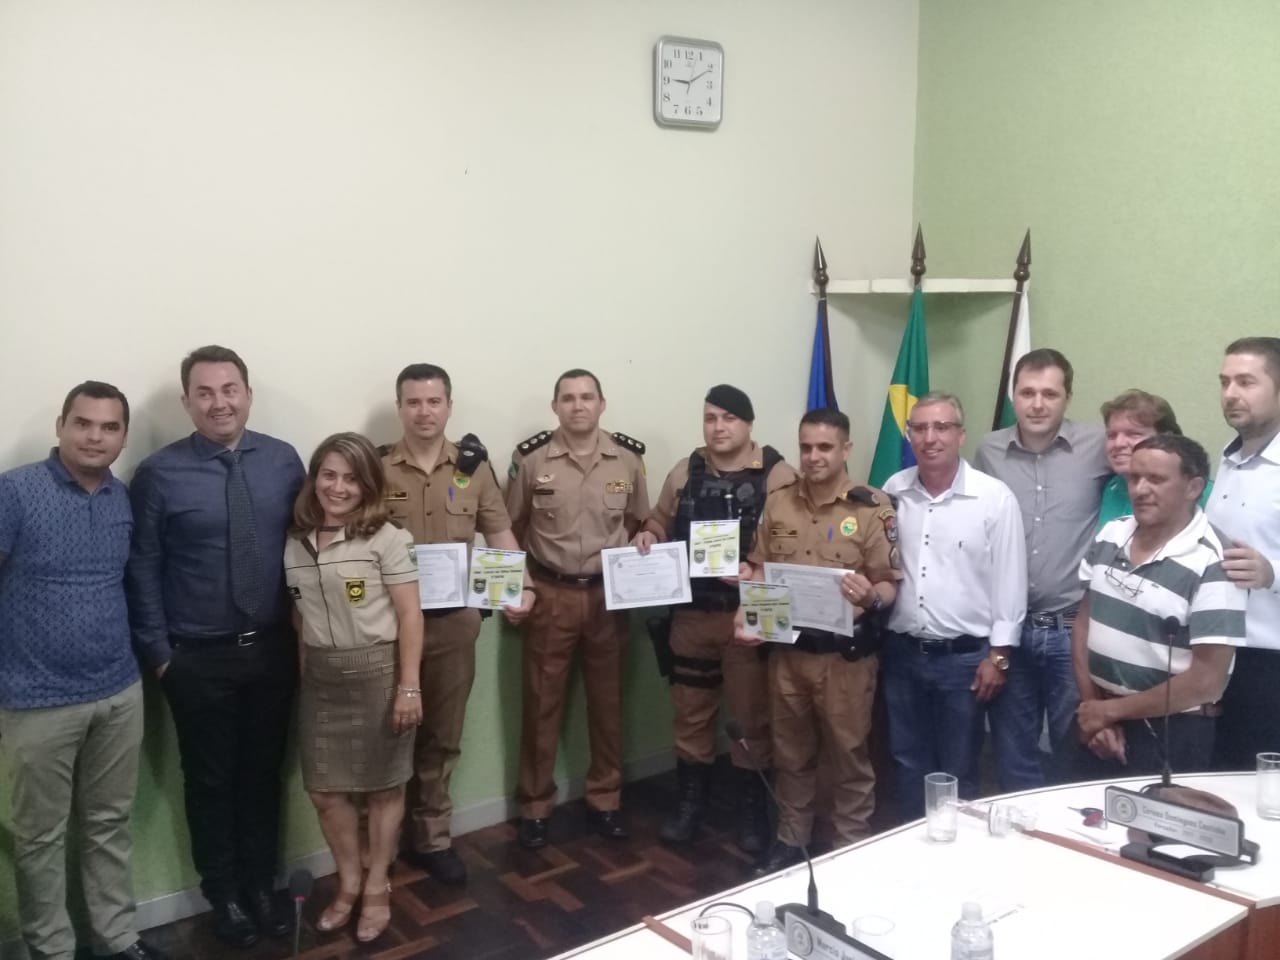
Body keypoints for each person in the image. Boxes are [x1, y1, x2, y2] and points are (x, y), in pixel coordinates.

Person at [127, 345, 305, 948]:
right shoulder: (158, 473)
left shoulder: (283, 460)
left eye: (229, 389)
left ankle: (261, 885)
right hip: (196, 658)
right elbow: (143, 566)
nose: (219, 403)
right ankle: (223, 894)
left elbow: (309, 543)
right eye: (204, 392)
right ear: (187, 402)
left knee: (263, 774)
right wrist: (160, 655)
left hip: (273, 651)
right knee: (209, 780)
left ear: (248, 394)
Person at [0, 382, 169, 960]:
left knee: (108, 824)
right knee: (39, 837)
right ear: (61, 426)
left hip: (119, 691)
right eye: (83, 423)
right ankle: (51, 950)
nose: (95, 437)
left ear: (123, 436)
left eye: (109, 427)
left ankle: (117, 939)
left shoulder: (123, 498)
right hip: (35, 699)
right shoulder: (15, 492)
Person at [379, 363, 534, 885]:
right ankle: (384, 842)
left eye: (434, 401)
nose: (424, 412)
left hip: (453, 626)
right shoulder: (376, 468)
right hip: (390, 628)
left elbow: (499, 532)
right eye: (413, 402)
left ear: (449, 406)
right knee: (389, 736)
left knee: (442, 738)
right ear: (400, 407)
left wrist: (524, 587)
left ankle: (432, 838)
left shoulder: (474, 468)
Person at [632, 384, 796, 854]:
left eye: (729, 418)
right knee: (690, 714)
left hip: (747, 614)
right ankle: (691, 805)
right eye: (710, 418)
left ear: (748, 423)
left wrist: (754, 571)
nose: (718, 427)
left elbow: (791, 540)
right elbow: (660, 518)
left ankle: (752, 810)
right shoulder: (685, 470)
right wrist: (649, 534)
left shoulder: (777, 474)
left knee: (751, 717)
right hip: (692, 615)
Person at [737, 407, 900, 875]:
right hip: (788, 655)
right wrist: (746, 614)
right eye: (806, 447)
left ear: (845, 449)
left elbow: (890, 584)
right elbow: (761, 570)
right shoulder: (779, 502)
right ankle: (793, 841)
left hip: (844, 660)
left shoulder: (871, 507)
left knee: (849, 758)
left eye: (825, 447)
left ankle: (850, 847)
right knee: (791, 755)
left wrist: (871, 597)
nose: (813, 456)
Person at [284, 432, 424, 943]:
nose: (337, 487)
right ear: (314, 478)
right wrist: (306, 674)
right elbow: (301, 617)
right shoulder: (296, 539)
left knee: (384, 788)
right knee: (324, 792)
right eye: (328, 475)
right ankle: (348, 881)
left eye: (350, 478)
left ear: (368, 485)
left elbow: (410, 616)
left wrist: (409, 687)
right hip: (321, 678)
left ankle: (377, 885)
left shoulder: (387, 538)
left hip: (378, 674)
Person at [505, 368, 649, 849]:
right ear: (555, 407)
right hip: (551, 595)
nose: (578, 405)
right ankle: (535, 806)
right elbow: (510, 528)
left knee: (608, 704)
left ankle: (605, 799)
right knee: (541, 705)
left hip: (609, 597)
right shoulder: (530, 460)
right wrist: (517, 589)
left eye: (587, 397)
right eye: (568, 398)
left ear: (602, 404)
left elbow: (639, 522)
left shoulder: (627, 459)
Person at [1064, 435, 1245, 780]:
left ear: (1193, 488)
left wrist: (1110, 711)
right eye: (1134, 477)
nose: (1140, 489)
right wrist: (1095, 710)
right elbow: (1083, 624)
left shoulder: (1216, 563)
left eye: (1156, 479)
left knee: (1155, 817)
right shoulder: (1111, 534)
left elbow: (1207, 681)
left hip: (1171, 731)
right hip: (1099, 715)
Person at [881, 392, 1027, 820]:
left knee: (959, 768)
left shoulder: (993, 498)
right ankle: (913, 841)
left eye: (941, 427)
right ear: (910, 435)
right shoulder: (892, 492)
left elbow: (1011, 581)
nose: (930, 438)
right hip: (902, 654)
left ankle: (957, 847)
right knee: (907, 761)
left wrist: (999, 656)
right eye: (920, 428)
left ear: (961, 435)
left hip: (964, 661)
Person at [974, 348, 1108, 790]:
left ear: (1068, 397)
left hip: (1072, 630)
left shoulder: (1098, 446)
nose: (1037, 404)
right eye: (1027, 392)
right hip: (1010, 631)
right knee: (1012, 750)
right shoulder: (989, 451)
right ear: (1013, 395)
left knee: (1074, 748)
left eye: (1049, 394)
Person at [1209, 337, 1280, 771]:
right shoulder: (1228, 458)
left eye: (1246, 382)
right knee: (1218, 783)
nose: (1231, 393)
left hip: (1270, 662)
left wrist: (1273, 573)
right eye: (1225, 382)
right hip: (1219, 656)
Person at [1098, 389, 1210, 526]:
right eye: (1111, 435)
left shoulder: (1202, 492)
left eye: (1133, 434)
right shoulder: (1112, 488)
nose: (1118, 444)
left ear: (1166, 439)